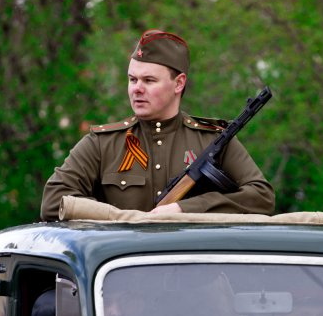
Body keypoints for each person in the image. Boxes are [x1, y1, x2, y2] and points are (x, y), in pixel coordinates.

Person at [41, 29, 275, 219]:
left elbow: (262, 197)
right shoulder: (102, 144)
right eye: (133, 79)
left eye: (149, 80)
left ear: (179, 83)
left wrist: (186, 209)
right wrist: (125, 220)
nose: (137, 89)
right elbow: (53, 201)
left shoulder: (212, 140)